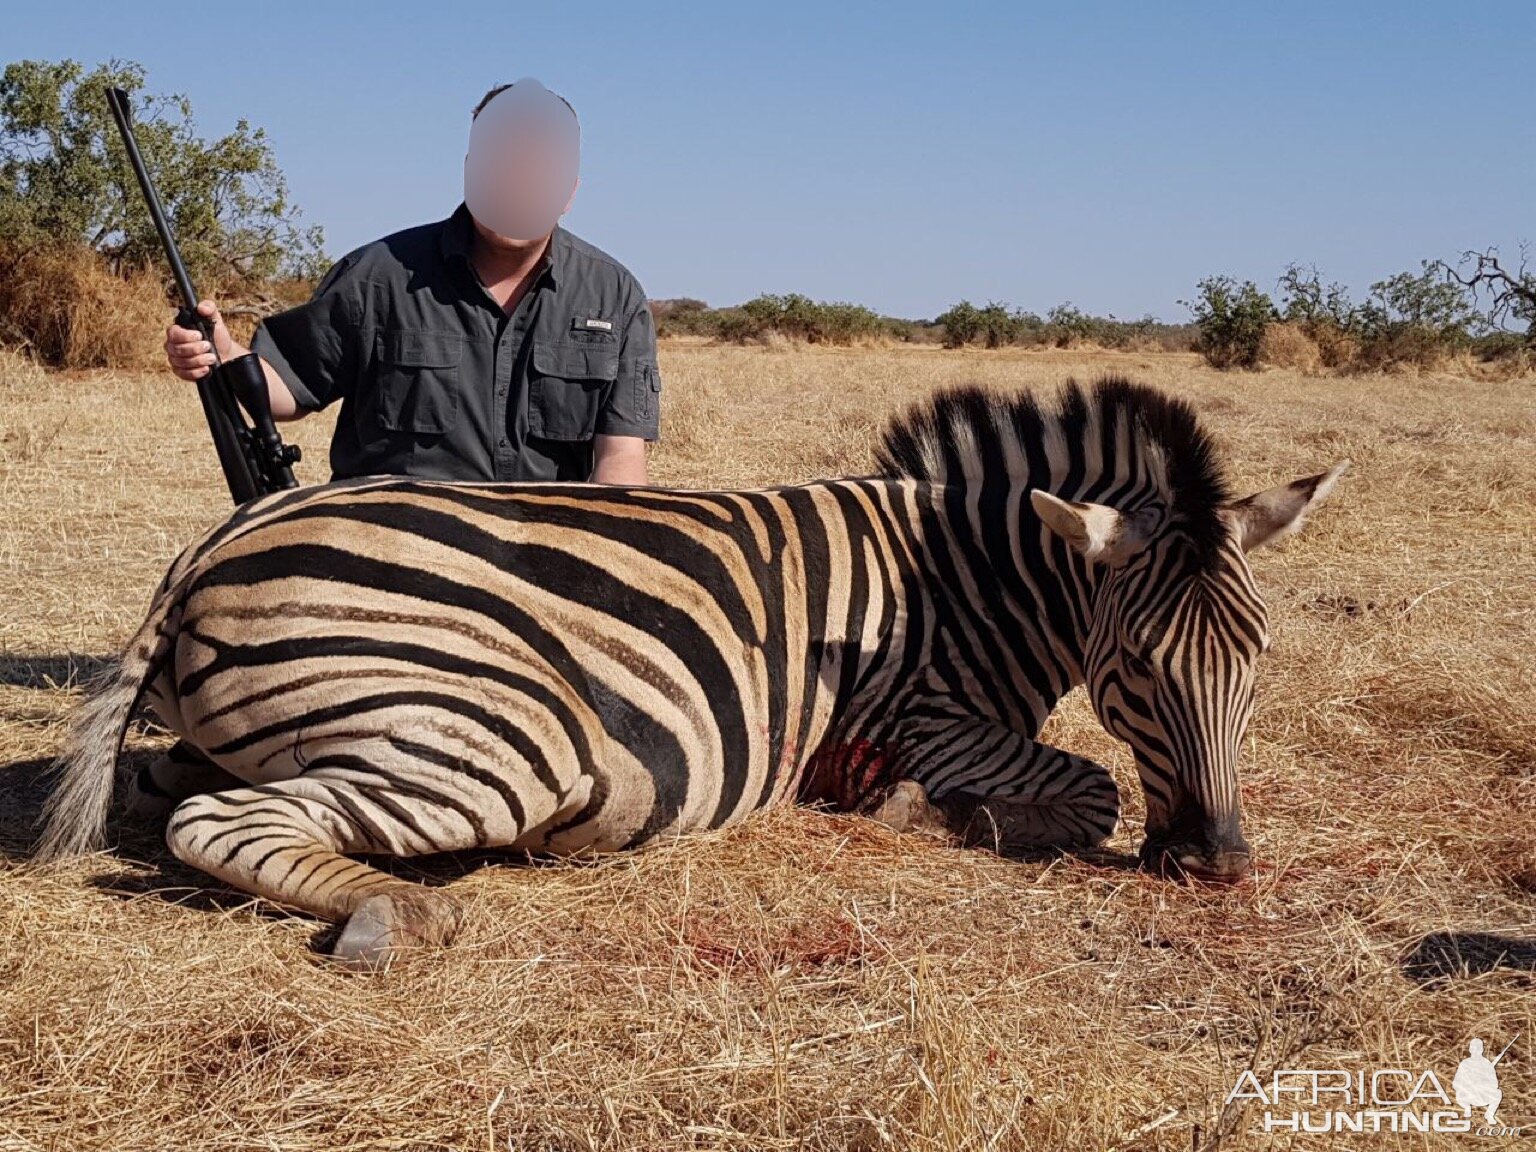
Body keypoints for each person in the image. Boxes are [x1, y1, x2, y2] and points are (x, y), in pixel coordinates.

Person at [163, 78, 659, 486]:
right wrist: (221, 352)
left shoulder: (614, 295)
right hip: (391, 559)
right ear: (472, 170)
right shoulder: (377, 274)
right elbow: (290, 388)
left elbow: (620, 464)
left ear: (568, 189)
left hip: (533, 573)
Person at [1452, 1038, 1503, 1124]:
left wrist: (1482, 1084)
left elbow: (1494, 1084)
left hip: (1482, 1096)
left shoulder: (1487, 1064)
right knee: (1459, 1093)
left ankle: (1489, 1115)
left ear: (1482, 1049)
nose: (1475, 1050)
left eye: (1477, 1048)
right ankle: (1467, 1108)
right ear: (1470, 1049)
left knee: (1498, 1093)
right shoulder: (1465, 1064)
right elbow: (1456, 1082)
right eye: (1473, 1048)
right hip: (1467, 1096)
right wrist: (1466, 1085)